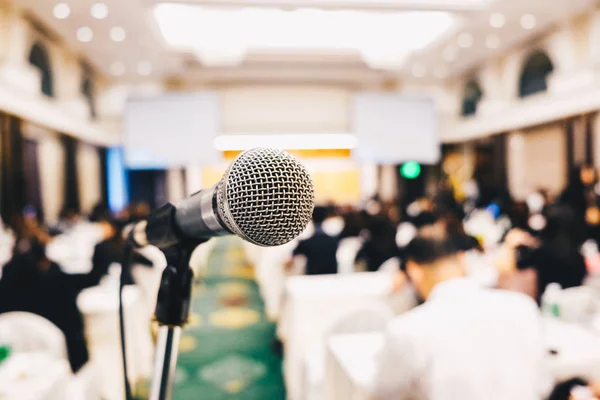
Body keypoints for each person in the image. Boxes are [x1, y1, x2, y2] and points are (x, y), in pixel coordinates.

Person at [372, 224, 545, 400]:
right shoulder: (522, 308)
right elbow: (541, 383)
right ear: (463, 259)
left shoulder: (406, 331)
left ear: (414, 270)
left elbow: (383, 396)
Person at [0, 234, 105, 372]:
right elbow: (92, 278)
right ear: (44, 261)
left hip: (14, 367)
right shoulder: (59, 284)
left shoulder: (6, 289)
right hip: (66, 363)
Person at [291, 206, 339, 275]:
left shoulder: (305, 243)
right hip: (331, 279)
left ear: (312, 218)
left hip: (312, 279)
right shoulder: (334, 241)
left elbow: (293, 255)